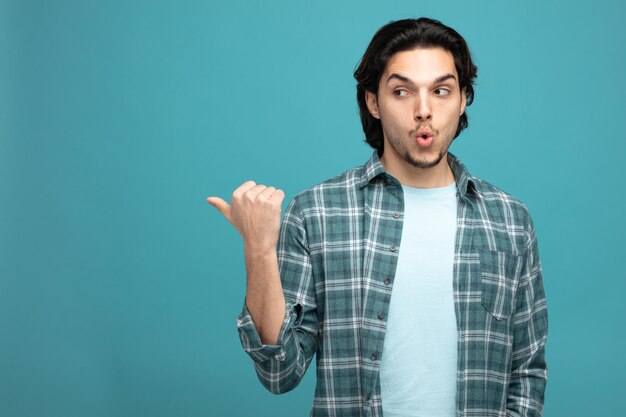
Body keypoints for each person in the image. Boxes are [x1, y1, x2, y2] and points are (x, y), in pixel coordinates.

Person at [207, 17, 548, 417]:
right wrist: (259, 250)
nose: (424, 110)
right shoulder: (316, 213)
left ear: (463, 99)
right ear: (373, 102)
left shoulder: (510, 221)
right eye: (402, 91)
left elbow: (527, 371)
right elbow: (280, 371)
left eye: (441, 91)